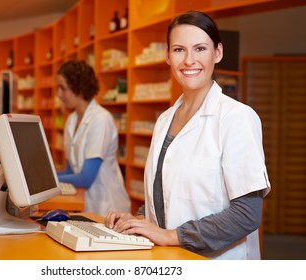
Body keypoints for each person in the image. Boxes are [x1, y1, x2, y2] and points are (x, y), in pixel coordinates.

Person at [105, 11, 271, 260]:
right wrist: (139, 218)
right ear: (168, 57)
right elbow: (168, 194)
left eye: (200, 48)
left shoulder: (237, 118)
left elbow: (246, 215)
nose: (189, 60)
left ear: (218, 53)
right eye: (179, 50)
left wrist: (170, 236)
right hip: (171, 259)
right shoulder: (164, 120)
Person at [56, 59, 131, 216]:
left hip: (108, 207)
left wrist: (46, 179)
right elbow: (71, 169)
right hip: (85, 203)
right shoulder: (72, 120)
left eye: (63, 88)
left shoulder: (101, 119)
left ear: (79, 88)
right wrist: (46, 177)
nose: (59, 94)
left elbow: (85, 178)